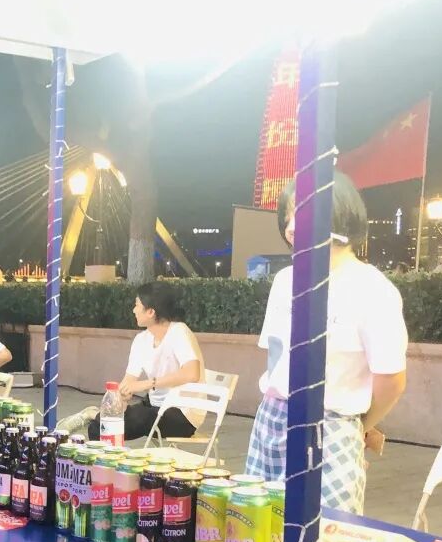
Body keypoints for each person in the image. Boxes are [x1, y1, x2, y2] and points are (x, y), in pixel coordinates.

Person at [245, 172, 408, 513]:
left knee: (326, 532)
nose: (290, 227)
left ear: (340, 215)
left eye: (302, 213)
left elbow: (391, 380)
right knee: (262, 526)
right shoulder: (285, 280)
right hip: (271, 419)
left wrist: (358, 427)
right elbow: (276, 358)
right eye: (287, 215)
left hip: (330, 428)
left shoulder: (372, 289)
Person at [57, 282, 206, 442]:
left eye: (137, 305)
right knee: (99, 427)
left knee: (138, 417)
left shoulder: (179, 332)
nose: (134, 310)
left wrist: (147, 384)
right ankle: (96, 419)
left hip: (183, 414)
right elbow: (129, 380)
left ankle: (93, 414)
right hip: (153, 407)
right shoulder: (141, 340)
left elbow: (192, 373)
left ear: (151, 312)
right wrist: (121, 397)